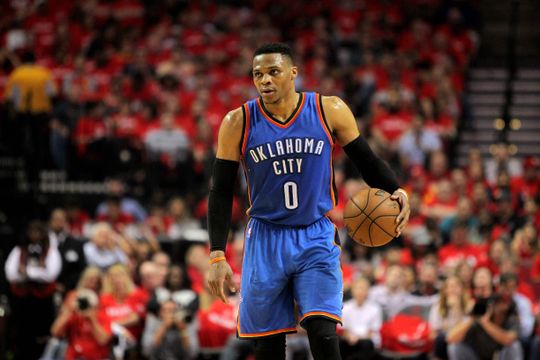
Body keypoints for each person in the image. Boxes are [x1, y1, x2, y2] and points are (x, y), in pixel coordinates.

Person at [206, 43, 410, 360]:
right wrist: (217, 254)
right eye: (258, 74)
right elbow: (219, 190)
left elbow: (366, 161)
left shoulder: (329, 110)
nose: (265, 81)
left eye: (273, 72)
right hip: (265, 236)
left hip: (314, 232)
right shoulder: (238, 122)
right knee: (268, 346)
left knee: (322, 331)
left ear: (293, 73)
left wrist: (397, 190)